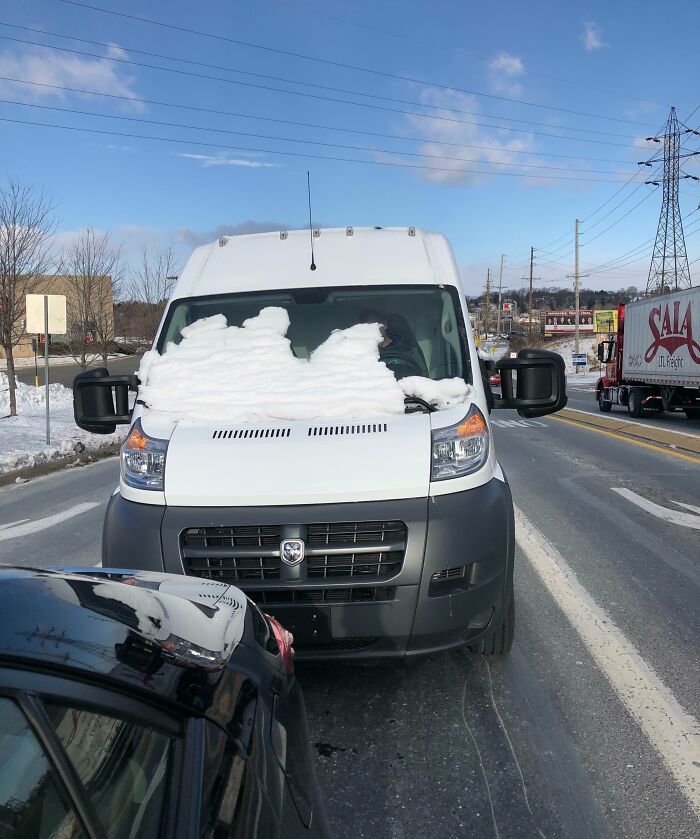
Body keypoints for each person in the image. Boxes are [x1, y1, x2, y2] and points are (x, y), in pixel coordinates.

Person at [359, 309, 427, 378]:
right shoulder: (361, 357)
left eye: (373, 325)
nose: (370, 331)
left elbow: (425, 381)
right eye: (365, 329)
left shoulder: (409, 352)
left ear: (384, 324)